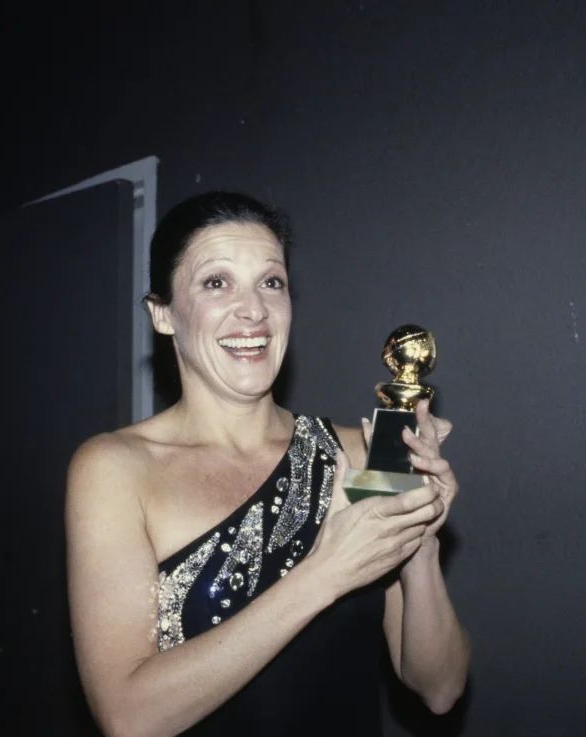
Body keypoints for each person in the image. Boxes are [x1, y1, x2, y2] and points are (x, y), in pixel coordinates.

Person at [66, 192, 469, 737]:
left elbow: (439, 689)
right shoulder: (115, 470)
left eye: (271, 282)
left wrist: (418, 537)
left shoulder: (363, 452)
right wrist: (326, 573)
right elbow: (129, 718)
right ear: (162, 314)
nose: (253, 310)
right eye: (216, 282)